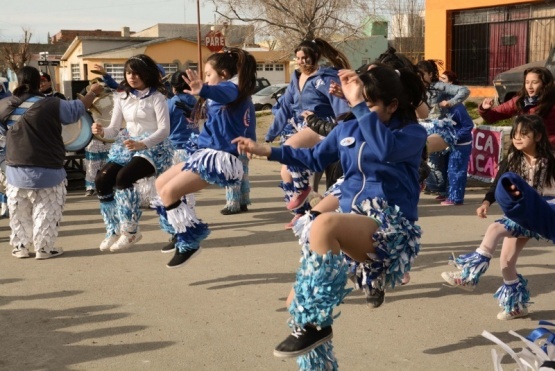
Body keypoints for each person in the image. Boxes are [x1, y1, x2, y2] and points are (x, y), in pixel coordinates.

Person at [233, 64, 427, 367]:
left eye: (370, 104)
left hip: (389, 230)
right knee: (297, 304)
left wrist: (359, 107)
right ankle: (317, 355)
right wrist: (266, 151)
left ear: (392, 105)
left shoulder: (410, 133)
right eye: (358, 101)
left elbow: (384, 148)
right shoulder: (347, 129)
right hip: (351, 227)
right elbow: (312, 157)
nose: (361, 109)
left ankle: (318, 325)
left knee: (323, 222)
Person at [441, 114, 555, 320]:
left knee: (495, 229)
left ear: (538, 137)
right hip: (521, 212)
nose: (518, 138)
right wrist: (486, 202)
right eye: (515, 134)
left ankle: (469, 276)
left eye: (524, 134)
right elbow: (498, 186)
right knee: (506, 261)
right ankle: (516, 306)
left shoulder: (551, 161)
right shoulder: (512, 160)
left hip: (544, 210)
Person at [154, 47, 257, 268]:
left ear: (224, 74)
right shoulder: (229, 93)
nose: (206, 79)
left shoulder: (231, 89)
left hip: (220, 159)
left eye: (209, 74)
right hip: (204, 152)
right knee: (161, 183)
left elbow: (226, 93)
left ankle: (189, 241)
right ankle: (177, 231)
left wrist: (204, 89)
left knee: (170, 192)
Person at [0, 66, 103, 259]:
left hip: (15, 169)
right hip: (49, 168)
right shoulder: (52, 103)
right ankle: (44, 248)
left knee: (19, 212)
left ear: (17, 82)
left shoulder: (5, 105)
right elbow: (78, 109)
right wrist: (92, 92)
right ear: (39, 83)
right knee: (46, 210)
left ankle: (20, 247)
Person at [265, 38, 351, 229]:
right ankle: (302, 213)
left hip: (321, 125)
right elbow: (285, 109)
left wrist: (345, 128)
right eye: (298, 58)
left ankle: (304, 189)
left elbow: (341, 107)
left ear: (315, 57)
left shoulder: (326, 78)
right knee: (285, 172)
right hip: (299, 126)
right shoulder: (295, 80)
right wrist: (270, 135)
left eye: (305, 58)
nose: (301, 62)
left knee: (290, 148)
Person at [92, 54, 172, 253]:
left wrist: (142, 144)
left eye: (136, 73)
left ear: (147, 74)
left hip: (154, 147)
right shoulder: (122, 97)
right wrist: (101, 131)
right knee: (102, 179)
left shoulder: (157, 97)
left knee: (123, 178)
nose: (132, 77)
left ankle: (131, 230)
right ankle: (113, 229)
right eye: (128, 72)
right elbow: (114, 129)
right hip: (129, 143)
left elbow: (164, 130)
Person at [158, 70, 199, 253]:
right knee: (188, 193)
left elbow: (163, 128)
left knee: (173, 194)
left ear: (173, 88)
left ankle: (180, 232)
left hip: (176, 149)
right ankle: (188, 227)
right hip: (195, 149)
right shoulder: (198, 101)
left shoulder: (171, 103)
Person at [479, 66, 555, 148]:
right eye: (527, 82)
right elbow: (493, 115)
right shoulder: (520, 101)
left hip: (549, 150)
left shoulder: (552, 101)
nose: (529, 86)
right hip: (525, 149)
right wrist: (485, 109)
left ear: (545, 84)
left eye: (534, 82)